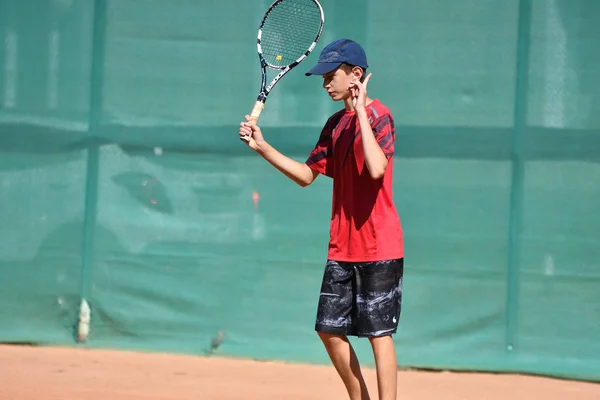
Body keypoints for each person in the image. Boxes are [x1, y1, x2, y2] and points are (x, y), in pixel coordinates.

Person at [238, 38, 404, 400]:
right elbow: (305, 175)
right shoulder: (333, 126)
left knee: (379, 335)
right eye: (323, 77)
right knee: (328, 330)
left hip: (379, 244)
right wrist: (262, 147)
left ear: (356, 75)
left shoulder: (380, 116)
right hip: (342, 246)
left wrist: (360, 111)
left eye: (332, 75)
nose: (326, 83)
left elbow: (377, 169)